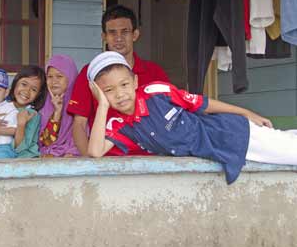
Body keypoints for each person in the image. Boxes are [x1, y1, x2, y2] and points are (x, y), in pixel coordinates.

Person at [87, 51, 297, 184]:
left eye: (124, 85)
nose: (120, 94)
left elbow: (204, 104)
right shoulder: (120, 125)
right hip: (220, 150)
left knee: (291, 152)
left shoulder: (157, 92)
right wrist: (103, 106)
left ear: (135, 82)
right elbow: (95, 151)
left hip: (232, 134)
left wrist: (247, 113)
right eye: (109, 90)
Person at [67, 4, 169, 156]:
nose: (118, 38)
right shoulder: (89, 74)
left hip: (152, 159)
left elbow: (169, 116)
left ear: (135, 35)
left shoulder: (154, 72)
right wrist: (89, 162)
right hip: (107, 161)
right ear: (104, 37)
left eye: (125, 32)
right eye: (112, 32)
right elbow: (79, 124)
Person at [39, 55, 80, 157]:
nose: (54, 81)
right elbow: (46, 142)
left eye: (59, 76)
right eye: (50, 77)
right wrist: (57, 112)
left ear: (70, 78)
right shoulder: (42, 105)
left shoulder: (79, 105)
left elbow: (81, 143)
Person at [9, 65, 48, 158]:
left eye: (34, 89)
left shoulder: (32, 115)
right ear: (15, 83)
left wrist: (21, 124)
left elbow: (20, 148)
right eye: (24, 84)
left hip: (25, 158)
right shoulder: (3, 106)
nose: (27, 91)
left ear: (38, 95)